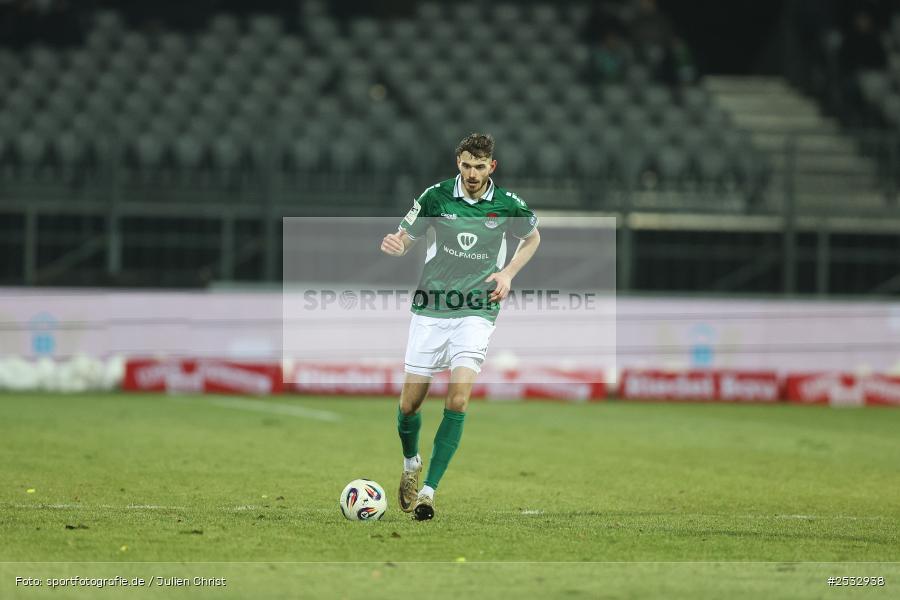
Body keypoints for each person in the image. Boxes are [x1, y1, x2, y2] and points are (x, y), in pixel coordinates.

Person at [379, 133, 541, 521]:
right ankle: (410, 464)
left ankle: (429, 493)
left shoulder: (506, 204)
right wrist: (398, 245)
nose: (472, 173)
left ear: (492, 167)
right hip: (431, 310)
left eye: (479, 167)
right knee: (409, 406)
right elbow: (407, 237)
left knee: (458, 399)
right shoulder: (435, 197)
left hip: (476, 310)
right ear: (458, 163)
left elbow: (533, 236)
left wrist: (507, 274)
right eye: (466, 165)